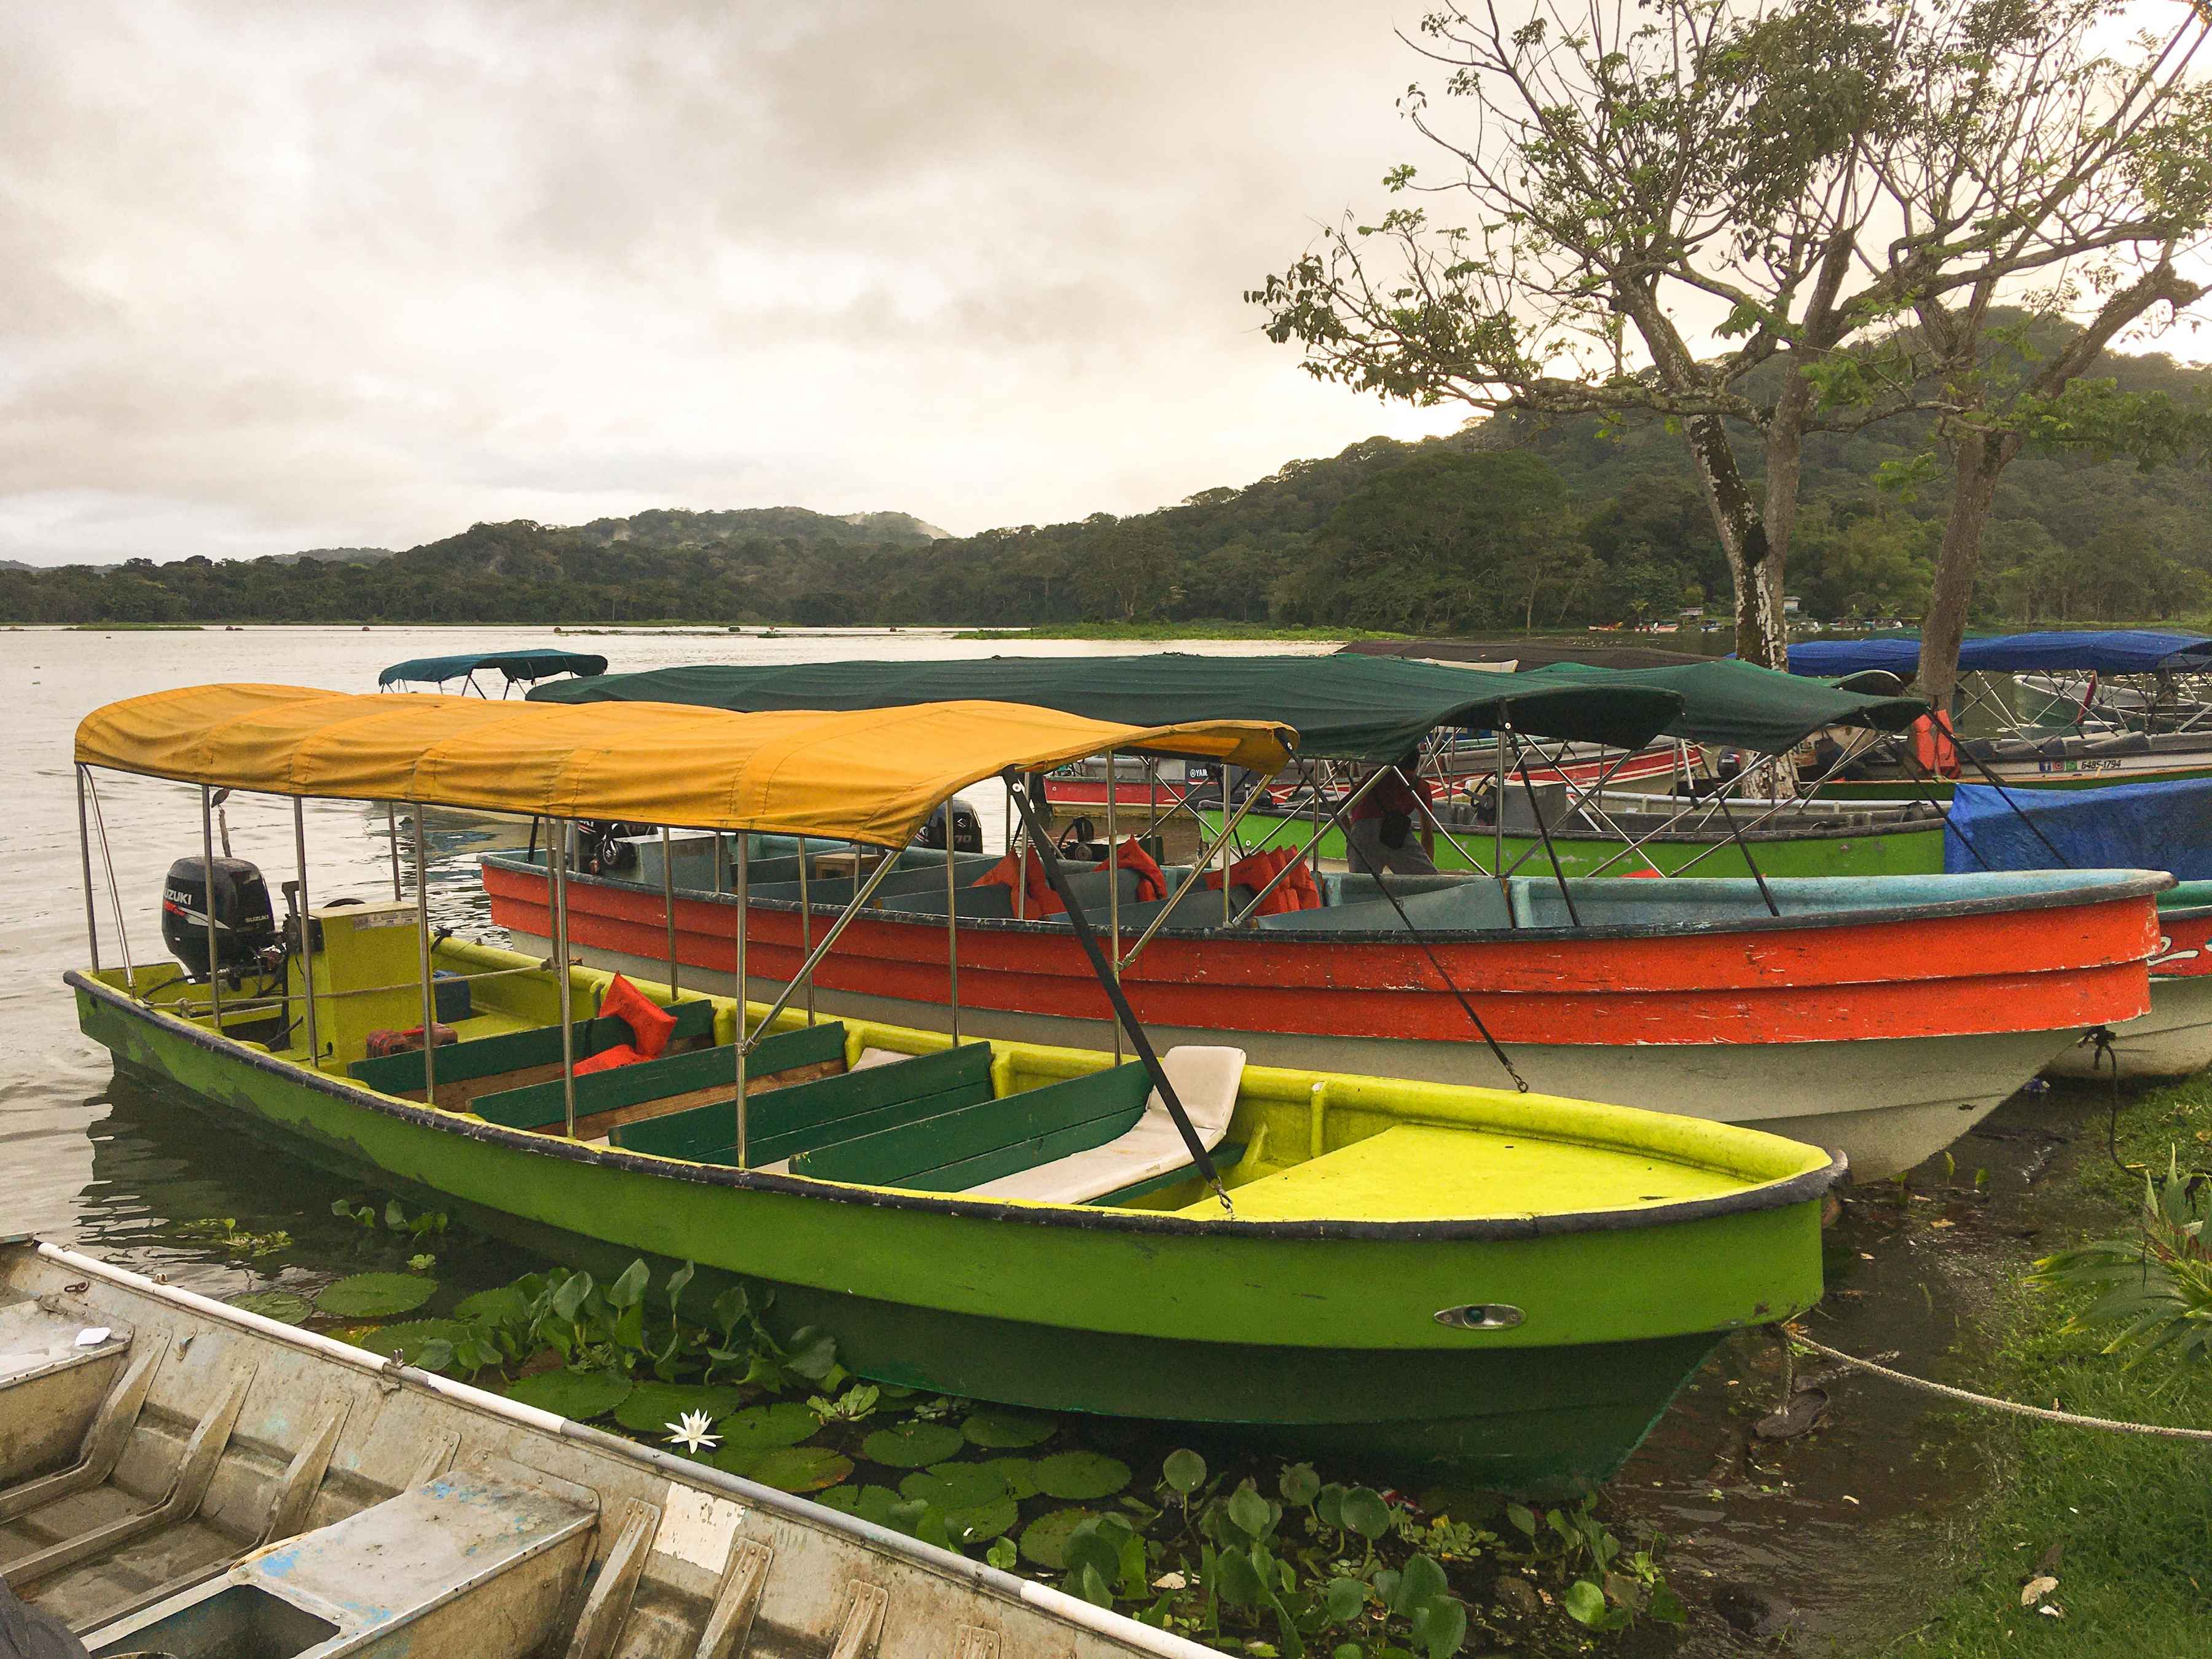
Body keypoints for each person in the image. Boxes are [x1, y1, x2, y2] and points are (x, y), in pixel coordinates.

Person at [1345, 747, 1438, 877]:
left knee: (1362, 885)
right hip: (1395, 832)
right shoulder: (1420, 785)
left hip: (1361, 832)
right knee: (1427, 882)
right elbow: (1427, 834)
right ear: (1416, 764)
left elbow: (1340, 808)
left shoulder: (1373, 776)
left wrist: (1351, 837)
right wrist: (1428, 869)